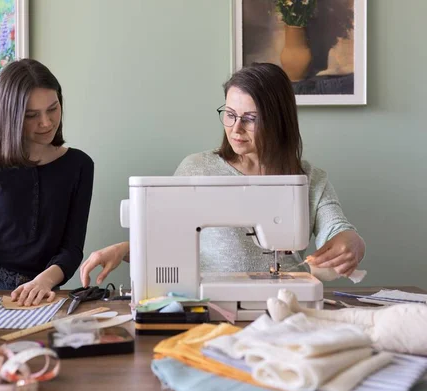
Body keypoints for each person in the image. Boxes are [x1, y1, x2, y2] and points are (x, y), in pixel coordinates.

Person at [80, 62, 365, 287]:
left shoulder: (309, 178)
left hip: (288, 304)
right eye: (229, 114)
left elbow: (338, 230)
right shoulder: (196, 170)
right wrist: (124, 248)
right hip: (211, 308)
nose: (235, 128)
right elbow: (163, 238)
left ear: (278, 120)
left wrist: (353, 242)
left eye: (250, 118)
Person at [0, 58, 94, 310]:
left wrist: (44, 282)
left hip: (44, 290)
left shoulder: (79, 165)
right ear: (9, 116)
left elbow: (72, 248)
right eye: (31, 115)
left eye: (53, 108)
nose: (46, 123)